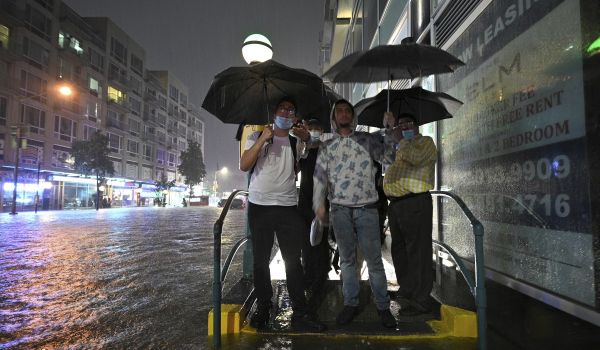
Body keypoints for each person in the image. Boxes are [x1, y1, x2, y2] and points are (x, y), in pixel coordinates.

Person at [240, 96, 326, 332]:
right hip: (260, 206)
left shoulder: (294, 140)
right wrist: (263, 140)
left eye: (291, 110)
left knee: (293, 262)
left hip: (288, 206)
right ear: (274, 112)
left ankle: (301, 312)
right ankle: (264, 306)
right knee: (260, 262)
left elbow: (310, 148)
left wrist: (306, 136)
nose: (287, 113)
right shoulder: (256, 136)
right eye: (282, 109)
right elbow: (244, 164)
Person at [313, 99, 397, 328]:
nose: (343, 113)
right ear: (333, 117)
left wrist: (390, 130)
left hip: (367, 208)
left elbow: (389, 158)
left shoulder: (367, 140)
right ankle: (350, 303)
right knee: (348, 261)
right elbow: (319, 177)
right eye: (338, 110)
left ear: (352, 116)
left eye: (346, 110)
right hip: (339, 209)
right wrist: (318, 205)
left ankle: (383, 306)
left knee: (374, 261)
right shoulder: (327, 146)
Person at [382, 112, 437, 316]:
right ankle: (407, 292)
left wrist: (400, 141)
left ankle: (421, 299)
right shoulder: (399, 147)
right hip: (397, 205)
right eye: (400, 124)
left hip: (415, 202)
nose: (404, 126)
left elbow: (416, 159)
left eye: (408, 123)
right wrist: (389, 131)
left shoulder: (425, 142)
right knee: (401, 252)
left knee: (418, 251)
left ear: (417, 126)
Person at [297, 119, 331, 311]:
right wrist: (303, 143)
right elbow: (295, 168)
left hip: (322, 203)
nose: (314, 131)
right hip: (303, 203)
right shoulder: (303, 149)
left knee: (321, 242)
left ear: (322, 130)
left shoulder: (326, 150)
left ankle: (321, 277)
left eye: (317, 128)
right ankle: (308, 276)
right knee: (305, 242)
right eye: (311, 129)